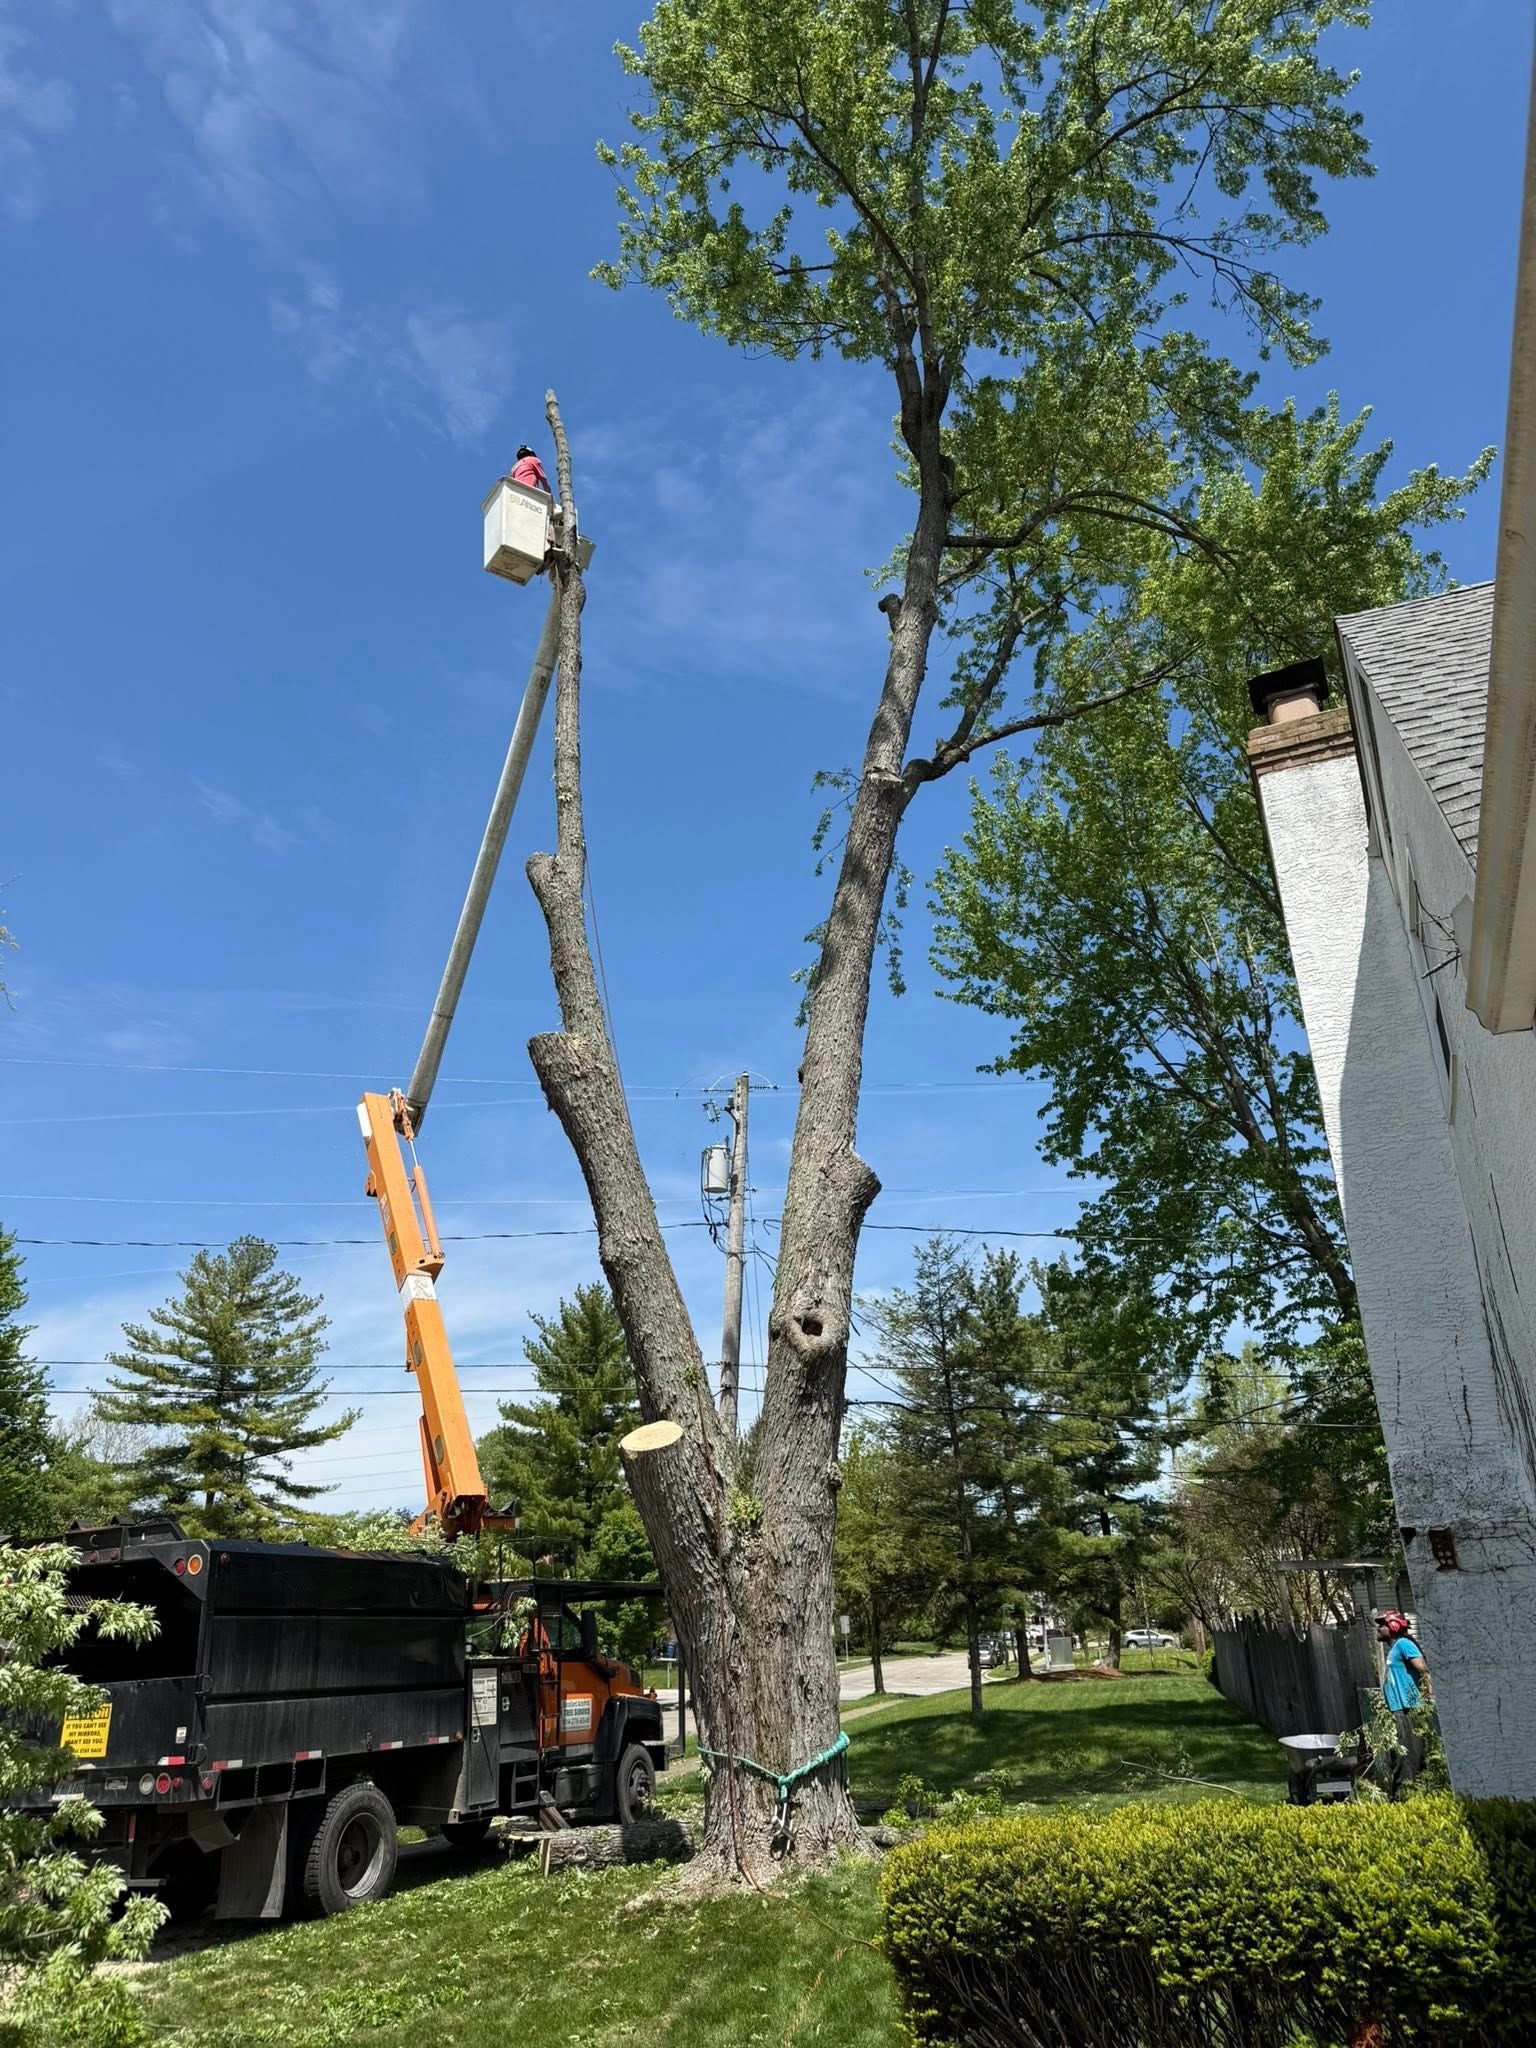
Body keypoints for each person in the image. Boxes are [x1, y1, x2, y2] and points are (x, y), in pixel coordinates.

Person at [1376, 1609, 1431, 1797]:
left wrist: (1427, 1694)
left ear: (1393, 1625)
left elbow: (1423, 1668)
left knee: (1407, 1758)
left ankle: (1406, 1797)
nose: (1378, 1628)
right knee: (1399, 1755)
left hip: (1408, 1709)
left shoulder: (1404, 1643)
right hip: (1399, 1709)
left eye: (1381, 1624)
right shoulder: (1395, 1647)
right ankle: (1404, 1795)